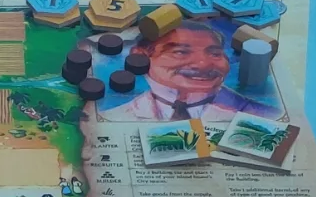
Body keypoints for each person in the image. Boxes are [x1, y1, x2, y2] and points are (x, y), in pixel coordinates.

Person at [100, 21, 254, 122]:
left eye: (215, 54)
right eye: (181, 52)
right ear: (140, 55)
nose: (203, 64)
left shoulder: (257, 115)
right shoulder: (112, 117)